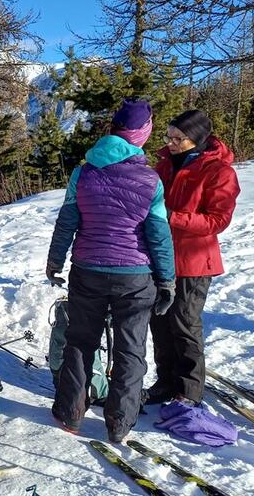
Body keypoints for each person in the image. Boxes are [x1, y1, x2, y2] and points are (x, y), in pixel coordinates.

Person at [46, 99, 175, 443]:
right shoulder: (150, 180)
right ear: (142, 134)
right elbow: (159, 234)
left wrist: (55, 260)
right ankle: (119, 424)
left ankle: (70, 412)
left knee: (80, 342)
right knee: (130, 349)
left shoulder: (83, 172)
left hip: (87, 269)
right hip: (134, 276)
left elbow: (67, 220)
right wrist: (166, 280)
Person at [146, 110, 240, 406]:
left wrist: (173, 217)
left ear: (197, 139)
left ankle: (189, 391)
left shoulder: (219, 172)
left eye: (179, 139)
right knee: (159, 323)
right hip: (160, 259)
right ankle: (165, 381)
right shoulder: (162, 166)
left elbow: (217, 221)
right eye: (169, 137)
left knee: (184, 323)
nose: (171, 143)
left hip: (195, 262)